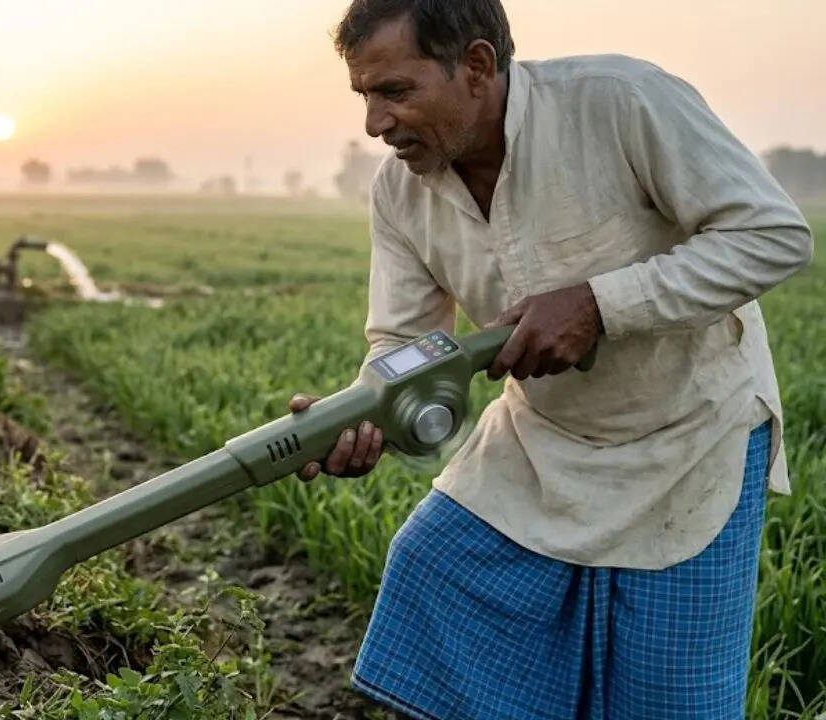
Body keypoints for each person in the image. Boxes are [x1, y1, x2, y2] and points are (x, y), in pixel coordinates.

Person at [290, 1, 814, 718]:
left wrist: (600, 304)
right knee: (432, 568)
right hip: (540, 443)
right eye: (365, 96)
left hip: (690, 436)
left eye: (397, 92)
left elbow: (774, 235)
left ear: (476, 66)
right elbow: (402, 344)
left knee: (667, 699)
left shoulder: (622, 102)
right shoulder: (400, 193)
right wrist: (363, 413)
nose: (375, 124)